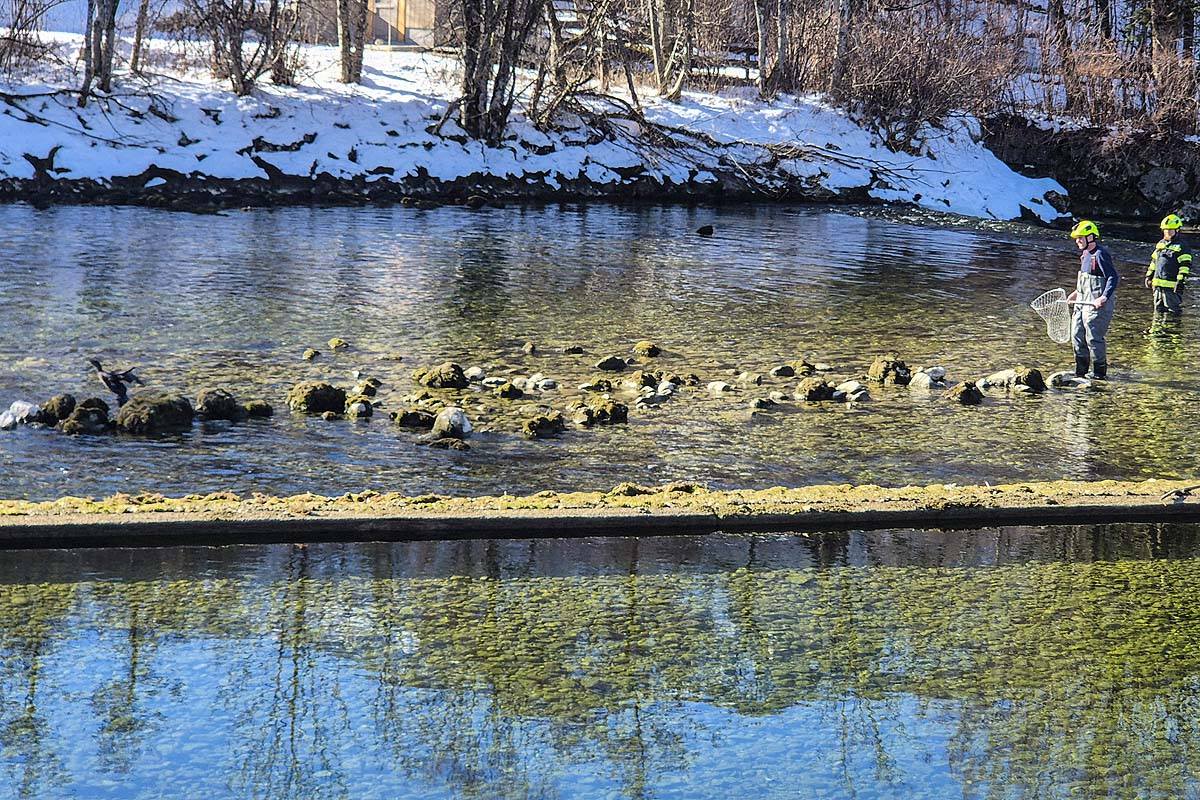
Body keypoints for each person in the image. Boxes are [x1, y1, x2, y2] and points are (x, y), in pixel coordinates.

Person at [1067, 220, 1119, 380]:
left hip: (1097, 305)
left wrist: (1103, 297)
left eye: (1080, 238)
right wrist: (1075, 293)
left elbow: (1112, 277)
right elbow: (1085, 280)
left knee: (1093, 337)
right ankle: (1080, 371)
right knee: (1076, 334)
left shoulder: (1100, 254)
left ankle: (1098, 374)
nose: (1078, 242)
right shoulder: (1085, 255)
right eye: (1077, 239)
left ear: (1091, 237)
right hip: (1082, 302)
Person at [1144, 213, 1192, 316]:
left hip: (1171, 288)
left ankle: (1172, 331)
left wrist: (1180, 281)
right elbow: (1154, 262)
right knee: (1157, 313)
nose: (1167, 233)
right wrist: (1149, 276)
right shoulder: (1161, 244)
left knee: (1173, 313)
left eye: (1170, 230)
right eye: (1165, 230)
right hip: (1157, 286)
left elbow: (1185, 266)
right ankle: (1157, 331)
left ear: (1177, 230)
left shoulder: (1182, 247)